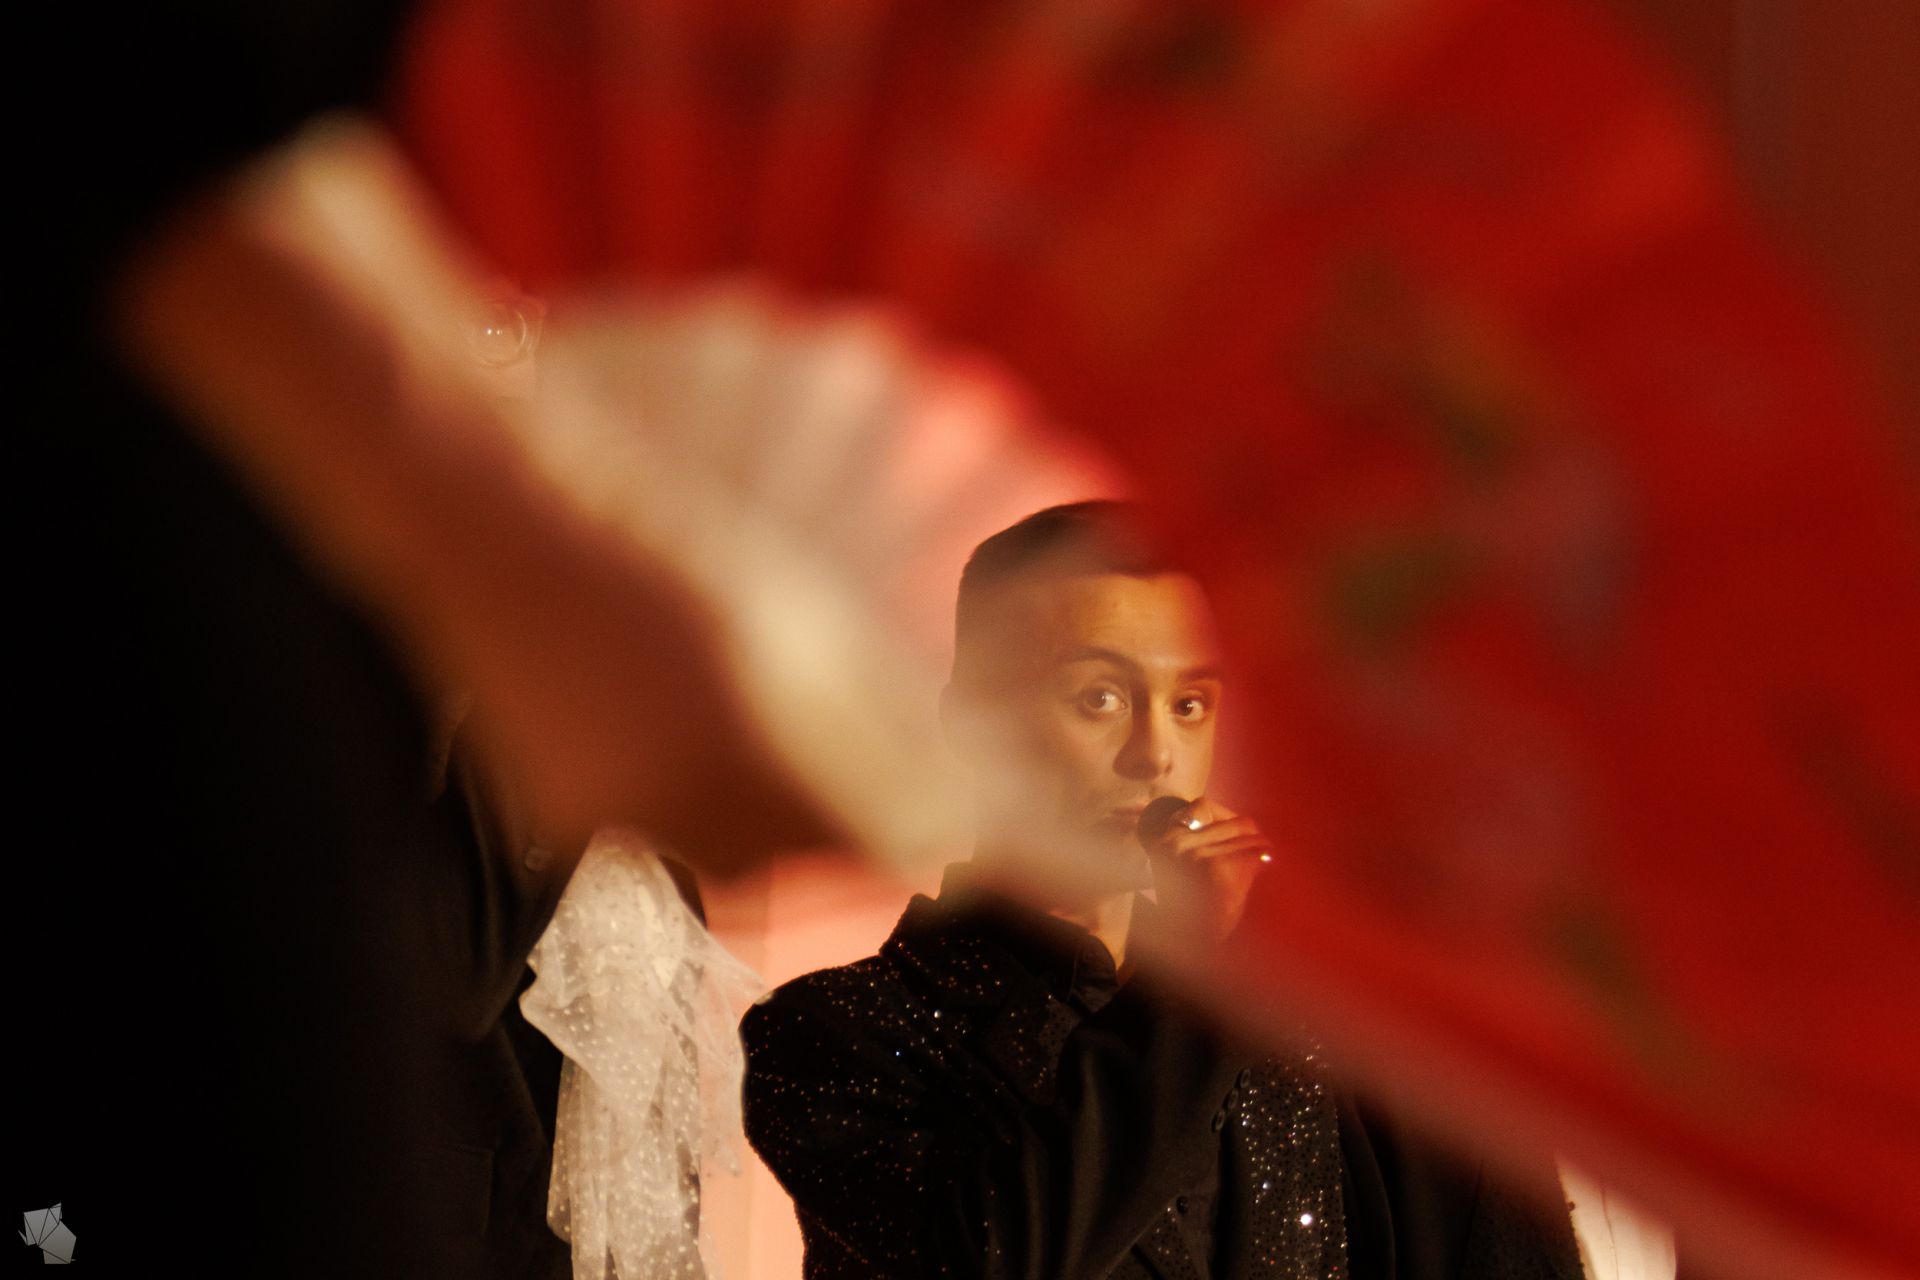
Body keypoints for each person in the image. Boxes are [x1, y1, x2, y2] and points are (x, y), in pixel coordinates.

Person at [741, 501, 1585, 1279]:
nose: (1155, 756)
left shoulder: (1316, 1036)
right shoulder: (830, 1034)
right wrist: (1194, 987)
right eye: (1100, 697)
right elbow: (994, 1259)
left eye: (1189, 704)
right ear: (971, 722)